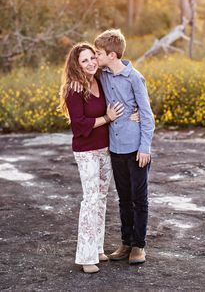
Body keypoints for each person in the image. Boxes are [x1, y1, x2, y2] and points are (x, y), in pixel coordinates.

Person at [72, 30, 155, 264]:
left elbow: (147, 115)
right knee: (123, 199)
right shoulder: (103, 74)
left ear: (111, 55)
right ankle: (126, 242)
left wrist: (145, 147)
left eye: (97, 54)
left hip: (137, 149)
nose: (94, 58)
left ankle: (139, 246)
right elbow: (82, 71)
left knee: (140, 199)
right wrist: (75, 84)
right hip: (115, 149)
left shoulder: (134, 78)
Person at [59, 42, 125, 274]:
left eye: (92, 58)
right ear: (76, 65)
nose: (89, 63)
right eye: (84, 60)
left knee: (102, 198)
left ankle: (97, 248)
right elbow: (79, 125)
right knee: (90, 199)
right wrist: (107, 119)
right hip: (86, 151)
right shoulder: (74, 88)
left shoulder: (101, 80)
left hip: (105, 148)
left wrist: (135, 112)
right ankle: (85, 257)